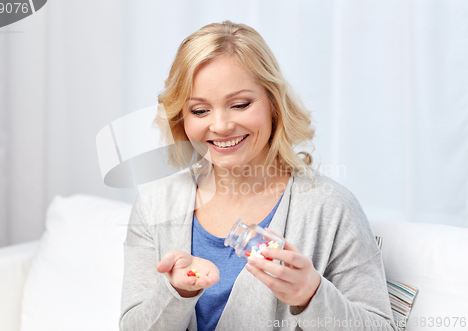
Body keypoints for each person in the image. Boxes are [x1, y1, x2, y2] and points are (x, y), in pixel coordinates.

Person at [120, 20, 397, 331]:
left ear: (273, 104)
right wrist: (177, 294)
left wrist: (311, 296)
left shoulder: (331, 208)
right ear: (180, 118)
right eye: (199, 110)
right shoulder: (154, 204)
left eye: (240, 104)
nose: (221, 125)